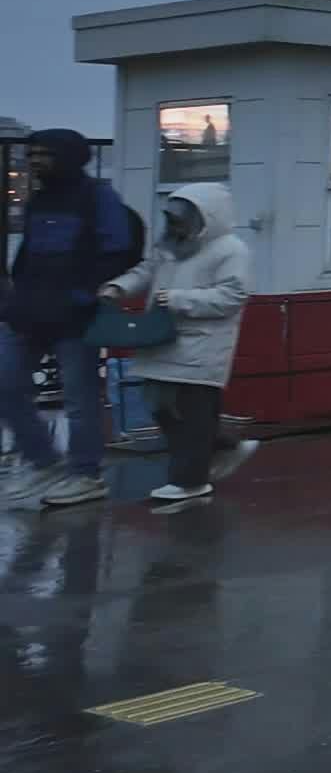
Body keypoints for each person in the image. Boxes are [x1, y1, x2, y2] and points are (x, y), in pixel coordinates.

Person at [1, 129, 138, 512]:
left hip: (75, 317)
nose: (34, 161)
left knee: (80, 401)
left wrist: (82, 295)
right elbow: (27, 255)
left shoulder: (98, 197)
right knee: (5, 384)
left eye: (42, 154)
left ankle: (85, 474)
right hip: (27, 313)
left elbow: (120, 251)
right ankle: (43, 461)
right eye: (31, 154)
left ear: (68, 156)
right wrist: (14, 300)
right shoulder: (38, 199)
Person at [97, 184, 257, 503]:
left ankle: (190, 481)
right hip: (161, 337)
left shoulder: (232, 250)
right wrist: (119, 287)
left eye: (181, 219)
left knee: (190, 413)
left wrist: (178, 299)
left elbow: (233, 296)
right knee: (159, 405)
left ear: (205, 217)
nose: (174, 225)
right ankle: (223, 446)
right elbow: (147, 270)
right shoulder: (170, 244)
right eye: (171, 218)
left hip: (202, 344)